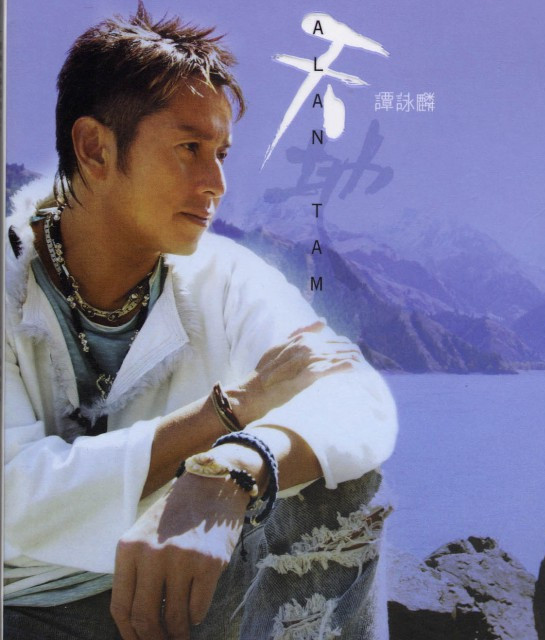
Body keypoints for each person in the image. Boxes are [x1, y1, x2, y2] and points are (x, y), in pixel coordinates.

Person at [3, 3, 397, 639]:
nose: (216, 183)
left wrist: (236, 464)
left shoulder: (225, 275)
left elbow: (356, 397)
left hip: (184, 588)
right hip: (26, 606)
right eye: (189, 148)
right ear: (95, 148)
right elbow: (12, 497)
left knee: (340, 480)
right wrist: (227, 412)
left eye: (221, 153)